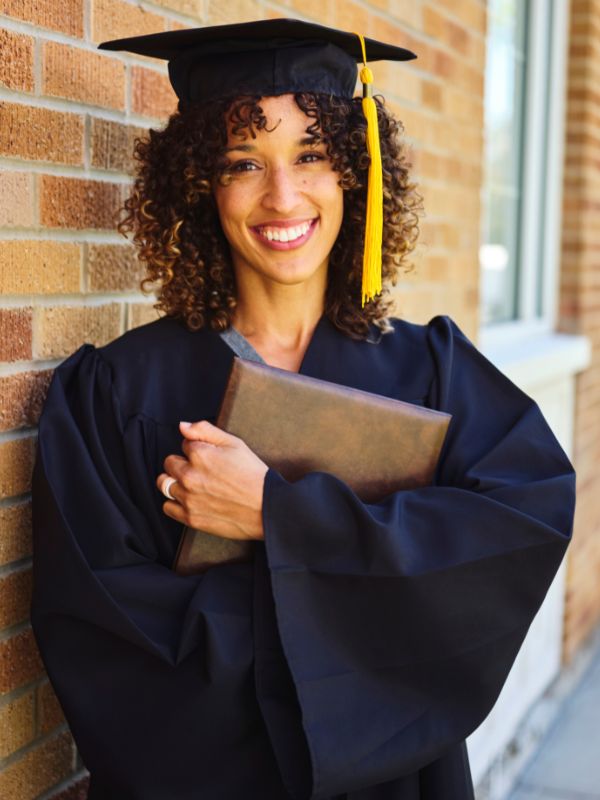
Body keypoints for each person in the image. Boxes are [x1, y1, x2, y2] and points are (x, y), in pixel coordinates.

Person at [30, 18, 576, 800]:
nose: (282, 196)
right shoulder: (117, 391)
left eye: (311, 155)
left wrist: (276, 516)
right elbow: (103, 636)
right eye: (243, 162)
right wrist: (350, 614)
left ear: (354, 172)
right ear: (199, 184)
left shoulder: (430, 368)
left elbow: (516, 531)